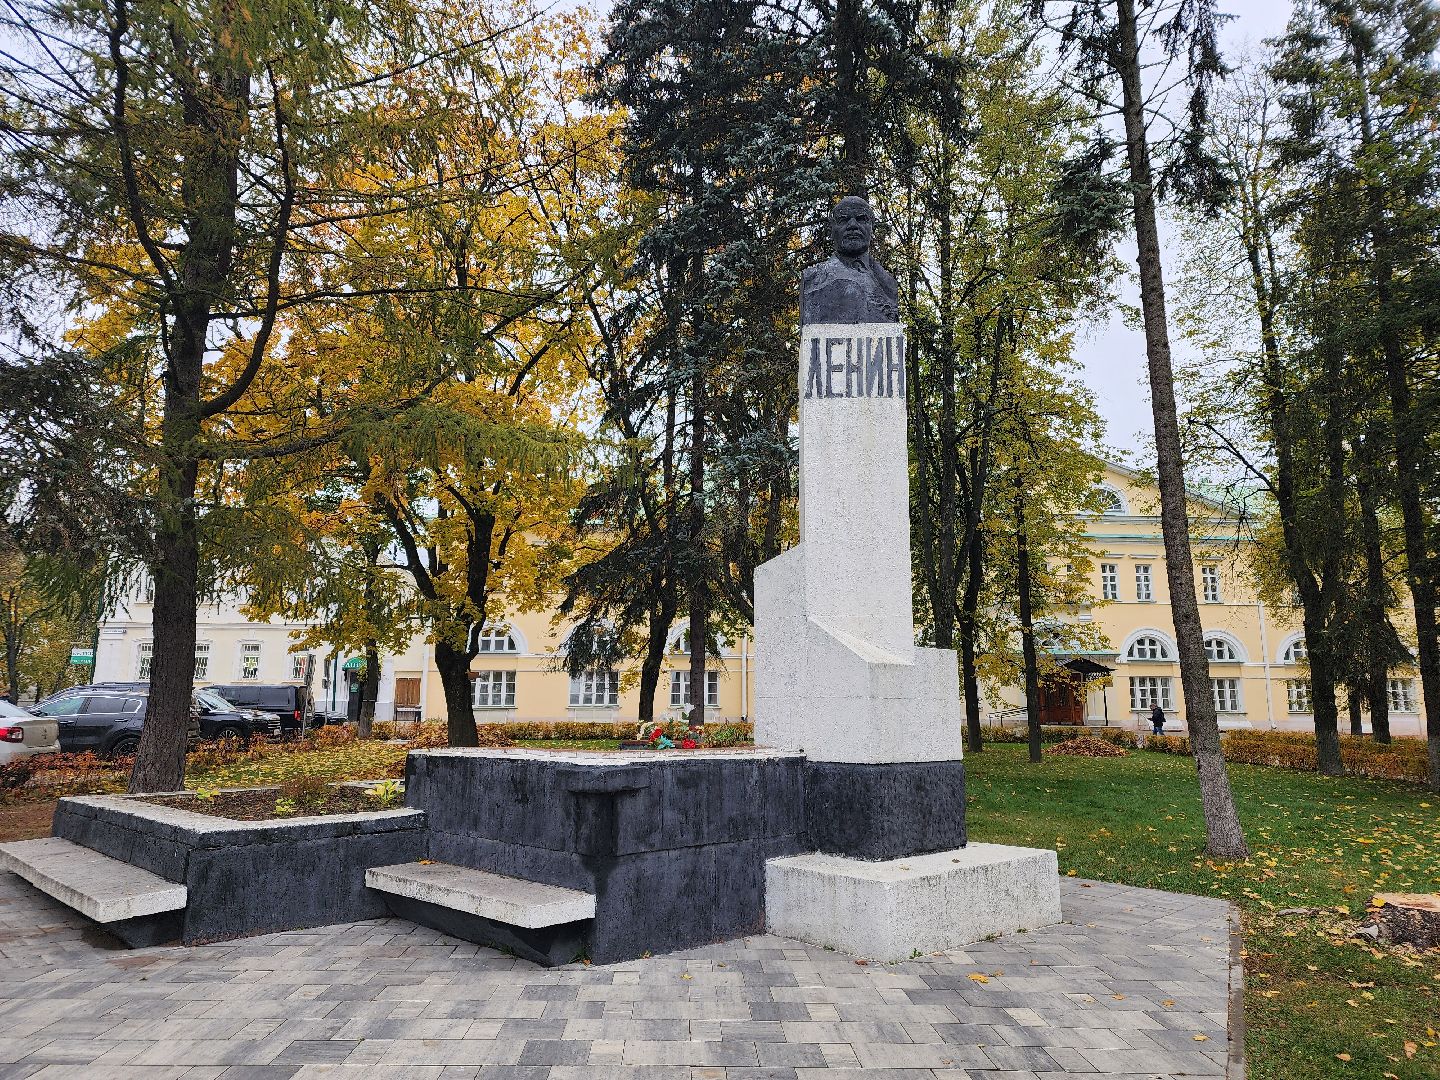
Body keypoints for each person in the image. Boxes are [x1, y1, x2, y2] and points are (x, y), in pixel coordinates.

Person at [800, 196, 900, 326]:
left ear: (872, 227)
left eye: (861, 219)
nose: (853, 225)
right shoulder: (812, 280)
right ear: (831, 230)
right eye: (843, 220)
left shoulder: (889, 284)